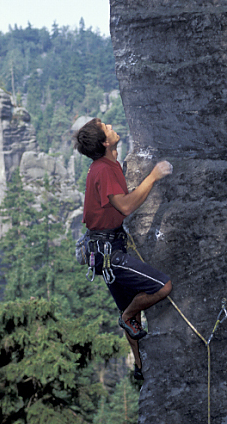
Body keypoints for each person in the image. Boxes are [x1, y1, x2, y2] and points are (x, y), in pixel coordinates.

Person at [74, 118, 172, 379]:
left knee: (131, 308)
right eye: (106, 127)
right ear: (105, 142)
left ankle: (140, 366)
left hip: (103, 249)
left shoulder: (105, 162)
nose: (110, 125)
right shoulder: (104, 170)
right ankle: (128, 316)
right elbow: (126, 207)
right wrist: (153, 175)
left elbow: (112, 155)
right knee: (163, 288)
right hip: (110, 252)